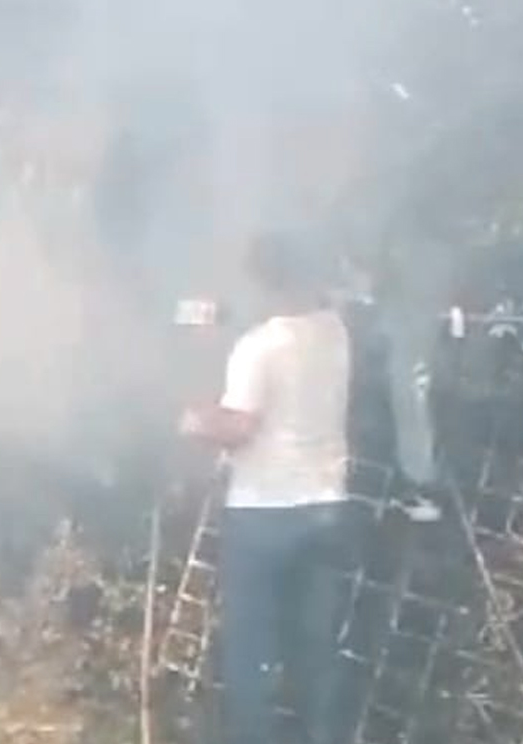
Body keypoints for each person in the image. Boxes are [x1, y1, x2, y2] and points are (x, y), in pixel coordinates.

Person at [180, 230, 352, 744]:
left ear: (261, 281)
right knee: (315, 652)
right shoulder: (335, 330)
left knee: (251, 652)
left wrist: (191, 420)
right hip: (326, 505)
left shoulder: (259, 347)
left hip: (264, 511)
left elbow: (238, 427)